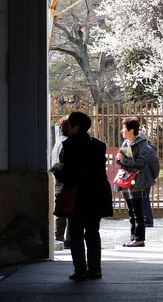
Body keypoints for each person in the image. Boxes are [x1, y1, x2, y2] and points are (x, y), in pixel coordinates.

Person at [54, 112, 113, 281]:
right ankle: (95, 269)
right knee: (93, 232)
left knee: (76, 233)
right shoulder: (99, 146)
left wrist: (58, 172)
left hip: (78, 194)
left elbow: (69, 173)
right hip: (96, 194)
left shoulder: (69, 145)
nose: (67, 128)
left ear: (76, 127)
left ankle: (80, 270)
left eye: (69, 125)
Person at [114, 116, 150, 247]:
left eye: (124, 128)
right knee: (130, 211)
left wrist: (126, 161)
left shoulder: (141, 143)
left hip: (137, 180)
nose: (122, 131)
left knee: (137, 211)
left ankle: (139, 238)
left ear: (131, 130)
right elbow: (122, 162)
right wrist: (119, 159)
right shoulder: (125, 143)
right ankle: (133, 237)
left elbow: (142, 161)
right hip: (126, 180)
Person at [51, 116, 70, 248]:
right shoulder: (68, 142)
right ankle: (69, 239)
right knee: (70, 212)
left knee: (60, 211)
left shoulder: (58, 141)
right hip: (65, 182)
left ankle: (58, 237)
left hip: (58, 182)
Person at [142, 141, 160, 227]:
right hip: (144, 178)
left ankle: (148, 220)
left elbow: (155, 165)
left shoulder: (148, 149)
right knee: (143, 199)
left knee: (144, 199)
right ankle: (146, 219)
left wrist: (154, 176)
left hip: (145, 178)